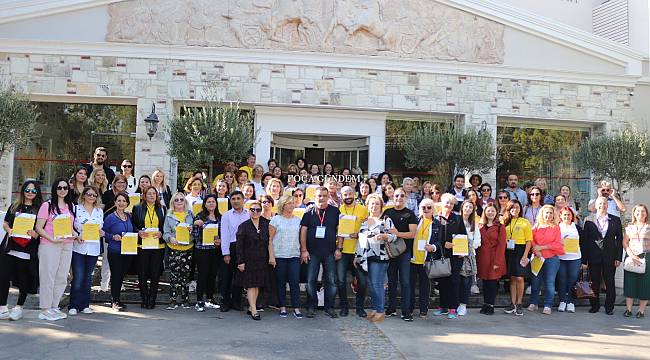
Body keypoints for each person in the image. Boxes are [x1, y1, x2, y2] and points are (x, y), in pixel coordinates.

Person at [0, 180, 43, 321]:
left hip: (27, 248)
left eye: (33, 191)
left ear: (37, 193)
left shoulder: (40, 209)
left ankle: (19, 307)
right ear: (23, 190)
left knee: (23, 278)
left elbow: (41, 229)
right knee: (4, 276)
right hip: (10, 246)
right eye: (27, 190)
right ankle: (3, 307)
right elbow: (6, 223)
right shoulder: (15, 205)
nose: (30, 193)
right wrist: (10, 230)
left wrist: (35, 234)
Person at [35, 178, 77, 321]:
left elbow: (70, 228)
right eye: (59, 187)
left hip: (67, 244)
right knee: (48, 276)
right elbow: (38, 228)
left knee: (61, 277)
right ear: (55, 189)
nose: (62, 190)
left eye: (65, 188)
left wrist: (76, 235)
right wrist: (52, 239)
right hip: (49, 244)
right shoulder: (47, 205)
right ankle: (45, 308)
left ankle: (54, 306)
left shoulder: (71, 206)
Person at [300, 186, 341, 318]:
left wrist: (339, 248)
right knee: (311, 280)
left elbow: (340, 231)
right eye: (319, 196)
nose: (322, 198)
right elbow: (303, 231)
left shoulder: (335, 211)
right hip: (312, 252)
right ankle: (311, 306)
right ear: (315, 197)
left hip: (330, 252)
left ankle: (329, 307)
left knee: (331, 281)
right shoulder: (308, 212)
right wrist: (304, 250)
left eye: (324, 195)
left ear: (328, 196)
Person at [355, 194, 397, 323]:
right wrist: (357, 256)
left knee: (377, 284)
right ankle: (375, 308)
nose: (374, 206)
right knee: (372, 285)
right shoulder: (364, 222)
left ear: (381, 206)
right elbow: (360, 241)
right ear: (367, 206)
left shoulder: (385, 220)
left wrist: (384, 236)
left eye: (377, 203)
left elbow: (394, 236)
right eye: (371, 204)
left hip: (381, 256)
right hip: (367, 257)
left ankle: (380, 311)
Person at [583, 196, 623, 315]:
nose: (602, 205)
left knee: (610, 282)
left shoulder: (615, 220)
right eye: (600, 203)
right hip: (593, 256)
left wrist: (618, 257)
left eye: (605, 203)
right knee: (594, 281)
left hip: (610, 256)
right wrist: (584, 260)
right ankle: (594, 305)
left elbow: (619, 240)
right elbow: (585, 241)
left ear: (607, 205)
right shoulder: (588, 219)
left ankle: (609, 307)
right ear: (595, 205)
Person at [430, 193, 467, 320]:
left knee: (454, 281)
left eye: (452, 203)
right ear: (441, 203)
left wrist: (461, 250)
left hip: (455, 255)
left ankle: (453, 308)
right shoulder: (435, 218)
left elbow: (463, 236)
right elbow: (433, 236)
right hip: (439, 253)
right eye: (447, 202)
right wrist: (442, 244)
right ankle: (443, 306)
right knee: (442, 281)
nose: (449, 205)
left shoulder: (457, 218)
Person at [69, 185, 104, 316]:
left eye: (94, 195)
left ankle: (85, 305)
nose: (91, 197)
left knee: (88, 278)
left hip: (93, 248)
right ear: (83, 195)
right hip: (79, 247)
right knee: (78, 277)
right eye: (89, 194)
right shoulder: (76, 209)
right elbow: (70, 226)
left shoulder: (99, 211)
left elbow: (101, 228)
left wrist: (101, 232)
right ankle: (73, 305)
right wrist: (76, 236)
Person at [384, 187, 418, 321]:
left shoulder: (410, 214)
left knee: (405, 282)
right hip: (390, 252)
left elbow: (413, 234)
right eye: (397, 195)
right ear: (393, 197)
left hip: (404, 252)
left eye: (402, 196)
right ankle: (391, 308)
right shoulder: (387, 212)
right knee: (391, 282)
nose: (399, 198)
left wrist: (397, 234)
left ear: (406, 198)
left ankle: (406, 311)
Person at [336, 186, 369, 317]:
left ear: (354, 194)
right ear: (341, 196)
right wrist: (338, 248)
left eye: (350, 193)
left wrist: (359, 234)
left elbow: (367, 229)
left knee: (362, 281)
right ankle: (344, 307)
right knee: (340, 280)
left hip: (358, 251)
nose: (348, 196)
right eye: (345, 194)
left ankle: (360, 307)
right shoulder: (338, 210)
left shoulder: (363, 210)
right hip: (342, 250)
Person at [268, 195, 303, 318]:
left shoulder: (298, 220)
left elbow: (301, 238)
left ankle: (296, 307)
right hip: (279, 255)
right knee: (281, 282)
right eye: (289, 203)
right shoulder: (275, 220)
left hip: (294, 255)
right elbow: (270, 239)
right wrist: (271, 256)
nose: (291, 205)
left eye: (293, 203)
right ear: (283, 205)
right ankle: (282, 307)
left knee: (294, 282)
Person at [131, 186, 165, 309]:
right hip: (142, 245)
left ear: (157, 196)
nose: (151, 196)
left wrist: (161, 232)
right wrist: (138, 232)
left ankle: (152, 299)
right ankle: (144, 298)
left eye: (154, 194)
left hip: (158, 245)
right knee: (142, 273)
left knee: (155, 274)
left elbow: (165, 226)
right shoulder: (137, 208)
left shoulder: (162, 208)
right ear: (144, 195)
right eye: (149, 193)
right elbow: (133, 225)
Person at [235, 200, 270, 321]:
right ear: (249, 211)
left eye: (258, 210)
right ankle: (254, 310)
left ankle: (251, 307)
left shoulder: (266, 224)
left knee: (257, 285)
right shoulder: (243, 226)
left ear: (261, 211)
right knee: (250, 285)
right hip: (248, 259)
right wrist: (240, 262)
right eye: (252, 210)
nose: (255, 212)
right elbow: (239, 246)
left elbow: (270, 242)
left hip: (261, 259)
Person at [528, 205, 564, 314]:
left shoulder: (556, 227)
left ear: (554, 215)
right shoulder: (536, 226)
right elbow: (531, 239)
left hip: (551, 259)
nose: (548, 215)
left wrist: (542, 247)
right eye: (546, 213)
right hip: (537, 257)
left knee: (549, 282)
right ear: (542, 214)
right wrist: (536, 250)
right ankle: (534, 303)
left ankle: (548, 305)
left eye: (551, 213)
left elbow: (557, 244)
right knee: (535, 281)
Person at [102, 192, 135, 311]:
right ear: (115, 202)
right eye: (119, 200)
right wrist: (112, 237)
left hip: (128, 251)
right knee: (116, 275)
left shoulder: (129, 216)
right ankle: (114, 301)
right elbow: (103, 233)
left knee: (121, 275)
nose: (121, 203)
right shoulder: (110, 217)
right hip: (115, 250)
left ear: (127, 203)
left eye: (124, 201)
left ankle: (118, 299)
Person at [163, 193, 195, 309]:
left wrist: (192, 230)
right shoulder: (169, 215)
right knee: (174, 276)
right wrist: (170, 238)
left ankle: (185, 299)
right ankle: (172, 300)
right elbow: (165, 232)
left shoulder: (191, 214)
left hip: (187, 248)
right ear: (173, 202)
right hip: (173, 248)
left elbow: (196, 232)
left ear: (185, 202)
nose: (179, 201)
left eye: (182, 199)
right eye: (176, 200)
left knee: (185, 276)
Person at [192, 195, 222, 312]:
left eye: (213, 202)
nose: (211, 204)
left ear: (216, 203)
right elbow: (194, 235)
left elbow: (223, 233)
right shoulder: (199, 216)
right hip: (202, 249)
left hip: (215, 249)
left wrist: (220, 240)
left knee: (213, 274)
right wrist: (196, 225)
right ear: (204, 204)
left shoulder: (220, 217)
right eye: (208, 202)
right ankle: (199, 301)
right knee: (203, 274)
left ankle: (210, 299)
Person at [502, 199, 533, 316]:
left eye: (517, 207)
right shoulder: (504, 222)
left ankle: (519, 303)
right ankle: (512, 303)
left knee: (520, 278)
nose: (515, 210)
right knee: (513, 278)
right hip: (509, 251)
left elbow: (529, 241)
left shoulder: (525, 222)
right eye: (512, 208)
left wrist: (525, 256)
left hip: (521, 251)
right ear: (508, 209)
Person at [220, 191, 249, 312]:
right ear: (230, 201)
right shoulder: (226, 215)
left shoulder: (249, 214)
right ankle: (225, 301)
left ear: (243, 200)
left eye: (238, 198)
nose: (236, 201)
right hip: (231, 247)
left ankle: (236, 301)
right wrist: (226, 253)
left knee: (240, 276)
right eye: (233, 199)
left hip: (245, 248)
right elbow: (225, 235)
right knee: (226, 276)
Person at [477, 203, 506, 315]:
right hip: (483, 257)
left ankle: (491, 305)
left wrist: (497, 261)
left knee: (493, 282)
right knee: (485, 282)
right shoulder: (480, 226)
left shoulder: (500, 227)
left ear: (496, 213)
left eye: (493, 211)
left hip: (494, 257)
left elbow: (501, 245)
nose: (490, 213)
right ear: (485, 212)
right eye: (488, 211)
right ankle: (485, 303)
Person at [409, 198, 436, 318]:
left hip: (426, 260)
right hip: (412, 259)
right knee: (409, 285)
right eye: (423, 207)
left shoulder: (437, 224)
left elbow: (440, 241)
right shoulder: (414, 220)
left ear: (433, 209)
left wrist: (434, 247)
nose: (426, 209)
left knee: (425, 287)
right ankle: (409, 308)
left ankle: (423, 309)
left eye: (429, 207)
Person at [623, 204, 650, 318]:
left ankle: (641, 311)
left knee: (645, 284)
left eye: (643, 211)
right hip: (631, 257)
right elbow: (624, 242)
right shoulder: (629, 227)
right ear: (634, 213)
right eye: (638, 211)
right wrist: (631, 254)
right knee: (630, 283)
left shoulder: (649, 227)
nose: (640, 213)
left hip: (646, 257)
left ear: (646, 213)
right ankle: (628, 310)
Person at [556, 207, 583, 313]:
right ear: (561, 216)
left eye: (569, 215)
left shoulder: (577, 228)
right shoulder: (557, 228)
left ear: (572, 216)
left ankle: (571, 302)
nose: (567, 217)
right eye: (565, 215)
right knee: (562, 280)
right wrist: (560, 241)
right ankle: (562, 301)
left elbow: (583, 243)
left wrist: (584, 261)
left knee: (572, 279)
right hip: (561, 257)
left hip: (575, 258)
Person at [458, 200, 481, 316]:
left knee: (466, 281)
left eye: (470, 207)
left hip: (468, 257)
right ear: (462, 208)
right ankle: (454, 303)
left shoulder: (473, 223)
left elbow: (478, 241)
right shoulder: (456, 220)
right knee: (455, 281)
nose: (468, 209)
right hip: (455, 255)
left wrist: (466, 249)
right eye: (466, 206)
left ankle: (463, 304)